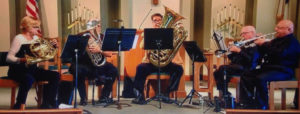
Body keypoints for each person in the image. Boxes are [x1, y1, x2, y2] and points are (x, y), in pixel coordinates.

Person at [240, 20, 300, 109]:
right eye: (276, 27)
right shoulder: (276, 40)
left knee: (260, 78)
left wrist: (264, 43)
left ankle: (262, 105)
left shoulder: (293, 42)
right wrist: (257, 44)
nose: (276, 29)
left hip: (284, 70)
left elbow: (279, 54)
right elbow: (265, 52)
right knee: (246, 74)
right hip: (270, 68)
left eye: (279, 28)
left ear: (289, 29)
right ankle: (248, 102)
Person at [58, 19, 118, 106]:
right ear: (90, 28)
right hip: (82, 63)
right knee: (77, 70)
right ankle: (83, 98)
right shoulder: (81, 37)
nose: (99, 27)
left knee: (113, 70)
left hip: (97, 64)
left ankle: (104, 96)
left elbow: (109, 53)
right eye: (97, 26)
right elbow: (71, 53)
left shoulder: (102, 37)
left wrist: (99, 50)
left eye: (99, 25)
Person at [6, 16, 60, 109]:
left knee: (55, 76)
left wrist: (54, 47)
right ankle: (19, 104)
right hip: (17, 70)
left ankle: (47, 103)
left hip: (32, 69)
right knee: (28, 78)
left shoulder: (35, 38)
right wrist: (21, 59)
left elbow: (44, 54)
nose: (38, 29)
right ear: (27, 27)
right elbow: (9, 58)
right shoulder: (19, 38)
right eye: (35, 27)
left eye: (38, 26)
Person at [131, 13, 184, 104]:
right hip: (150, 62)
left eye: (159, 20)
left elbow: (173, 46)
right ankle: (140, 96)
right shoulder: (147, 32)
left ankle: (167, 93)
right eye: (155, 20)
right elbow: (142, 46)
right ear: (152, 22)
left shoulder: (168, 33)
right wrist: (148, 37)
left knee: (179, 69)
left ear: (163, 21)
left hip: (165, 62)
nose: (157, 22)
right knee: (140, 68)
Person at [213, 26, 259, 107]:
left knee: (222, 69)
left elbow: (251, 59)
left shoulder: (256, 43)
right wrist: (230, 52)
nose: (242, 36)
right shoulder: (244, 43)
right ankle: (225, 93)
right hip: (238, 66)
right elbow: (234, 59)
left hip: (248, 67)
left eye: (244, 33)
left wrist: (239, 50)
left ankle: (226, 94)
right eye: (242, 34)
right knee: (217, 72)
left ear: (252, 33)